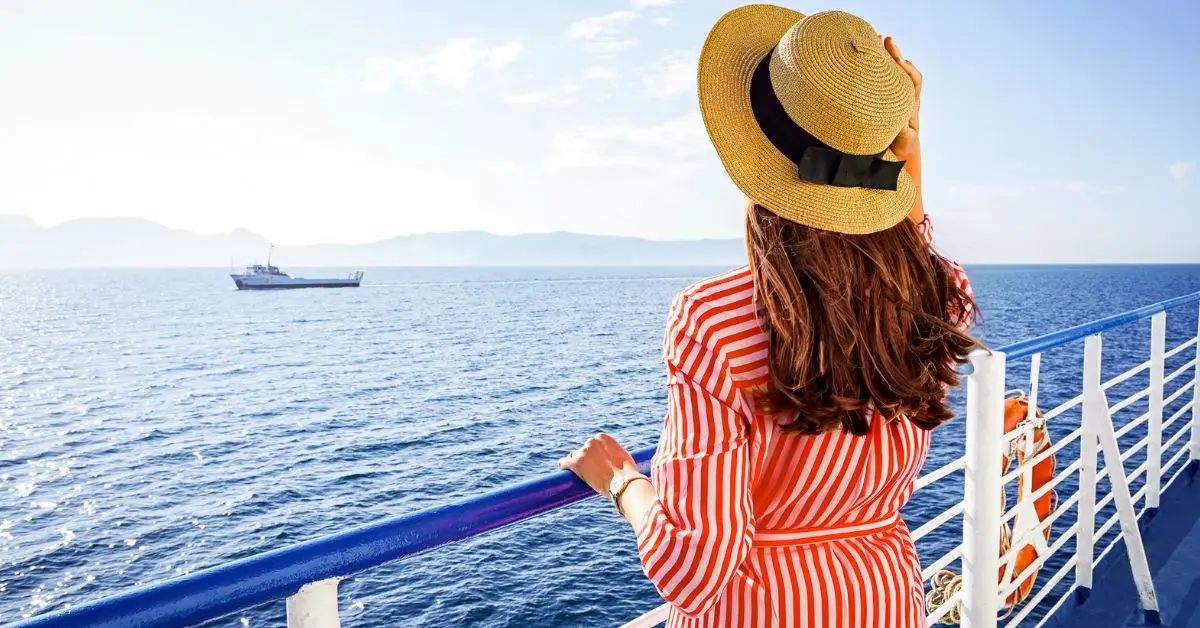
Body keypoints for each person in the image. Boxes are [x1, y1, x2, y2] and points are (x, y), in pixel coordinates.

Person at [558, 6, 978, 628]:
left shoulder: (713, 321)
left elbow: (695, 569)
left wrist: (622, 481)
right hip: (883, 601)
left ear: (753, 158)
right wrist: (903, 150)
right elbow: (910, 244)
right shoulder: (938, 295)